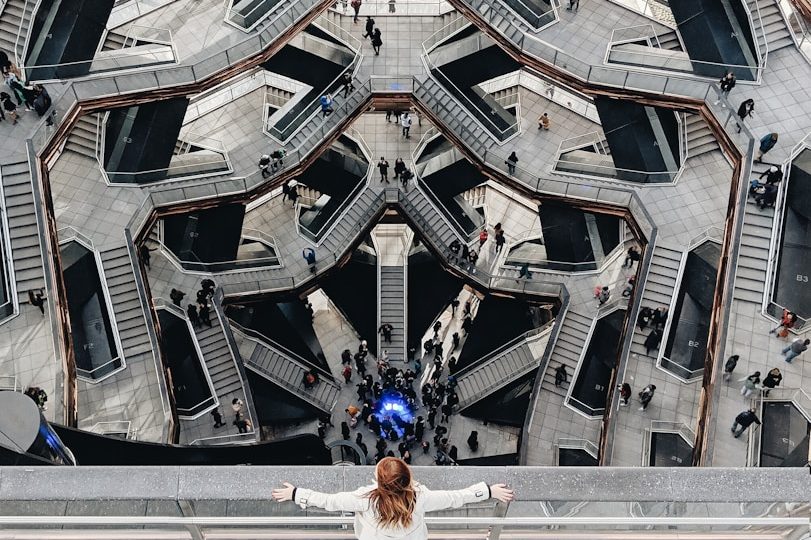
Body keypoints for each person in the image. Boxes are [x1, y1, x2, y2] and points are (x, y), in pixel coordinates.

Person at [272, 457, 514, 539]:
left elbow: (330, 501)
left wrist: (295, 493)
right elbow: (455, 498)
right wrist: (488, 491)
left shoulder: (365, 499)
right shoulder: (420, 498)